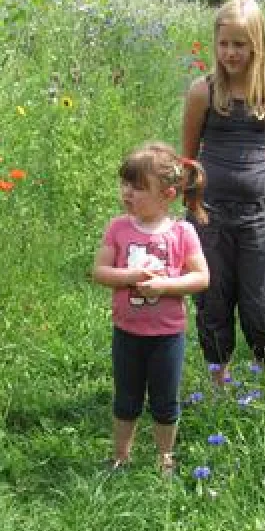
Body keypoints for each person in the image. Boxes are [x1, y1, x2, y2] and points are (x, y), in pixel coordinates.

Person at [181, 0, 265, 387]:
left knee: (259, 304)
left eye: (239, 45)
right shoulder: (203, 92)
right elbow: (189, 159)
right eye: (224, 43)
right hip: (208, 216)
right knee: (213, 299)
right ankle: (219, 380)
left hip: (255, 218)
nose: (230, 52)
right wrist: (195, 201)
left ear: (257, 45)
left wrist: (250, 173)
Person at [92, 142, 210, 475]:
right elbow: (100, 272)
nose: (127, 192)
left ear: (168, 194)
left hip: (167, 335)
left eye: (138, 187)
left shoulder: (182, 233)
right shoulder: (118, 228)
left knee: (164, 400)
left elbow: (202, 278)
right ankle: (120, 455)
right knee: (126, 397)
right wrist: (129, 276)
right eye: (125, 184)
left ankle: (165, 457)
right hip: (127, 331)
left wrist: (164, 286)